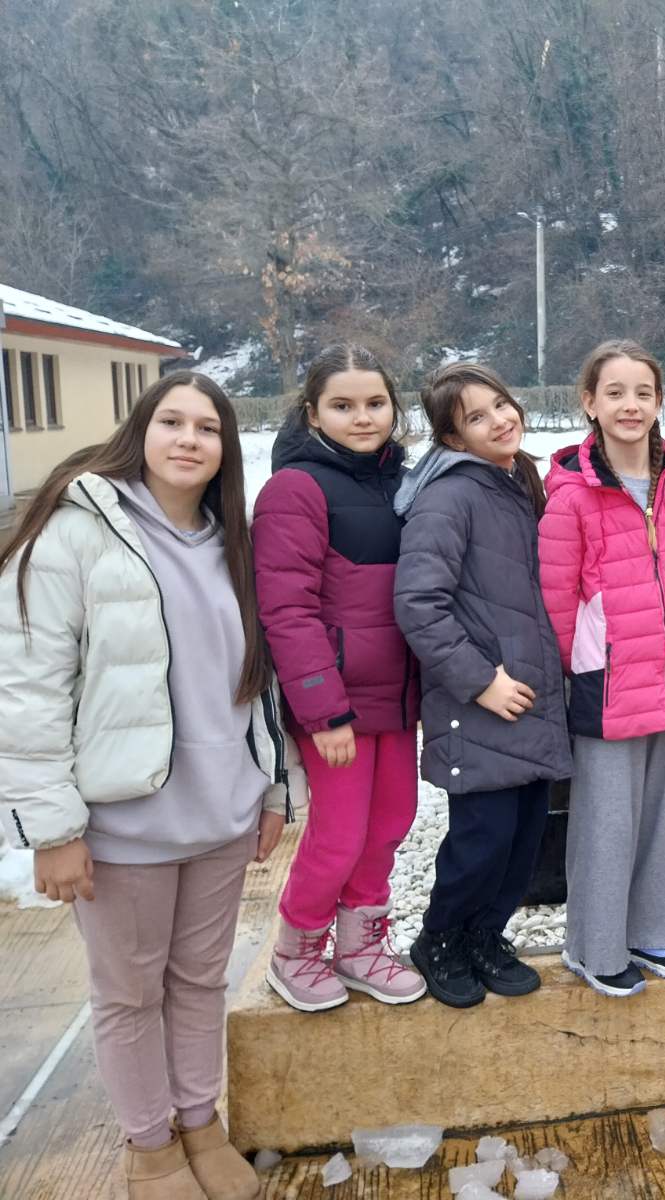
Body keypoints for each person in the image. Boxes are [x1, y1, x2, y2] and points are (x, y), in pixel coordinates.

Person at [0, 372, 303, 1200]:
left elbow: (258, 681)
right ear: (141, 430)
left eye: (208, 427)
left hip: (219, 815)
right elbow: (27, 689)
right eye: (172, 421)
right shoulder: (76, 533)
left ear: (225, 449)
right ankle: (149, 1147)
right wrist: (52, 830)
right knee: (129, 994)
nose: (189, 439)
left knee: (199, 983)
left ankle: (199, 1124)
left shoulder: (230, 543)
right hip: (122, 825)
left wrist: (272, 790)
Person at [393, 363, 571, 1008]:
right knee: (481, 840)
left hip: (531, 696)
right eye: (476, 416)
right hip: (483, 702)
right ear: (452, 437)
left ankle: (486, 935)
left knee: (522, 839)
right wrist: (480, 683)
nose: (498, 420)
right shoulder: (450, 496)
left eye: (500, 404)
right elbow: (419, 603)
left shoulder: (517, 480)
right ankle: (440, 938)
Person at [253, 345, 425, 1012]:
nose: (362, 418)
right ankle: (297, 950)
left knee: (390, 825)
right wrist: (324, 712)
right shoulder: (296, 489)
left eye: (375, 403)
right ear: (312, 413)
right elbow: (286, 610)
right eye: (343, 406)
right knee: (338, 835)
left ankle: (359, 947)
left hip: (397, 699)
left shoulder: (403, 482)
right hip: (337, 705)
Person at [540, 340, 665, 998]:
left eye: (643, 392)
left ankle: (655, 931)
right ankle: (596, 946)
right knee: (606, 822)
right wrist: (580, 668)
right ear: (590, 403)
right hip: (607, 682)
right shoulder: (572, 499)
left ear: (660, 402)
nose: (630, 405)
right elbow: (557, 601)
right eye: (614, 392)